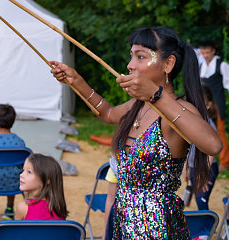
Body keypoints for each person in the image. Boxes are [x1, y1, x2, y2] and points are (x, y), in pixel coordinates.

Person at [51, 26, 222, 239]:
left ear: (168, 64)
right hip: (123, 223)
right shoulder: (139, 104)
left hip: (157, 229)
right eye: (131, 56)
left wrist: (156, 95)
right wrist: (76, 81)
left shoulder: (178, 110)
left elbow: (213, 145)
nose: (130, 65)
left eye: (140, 57)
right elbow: (108, 113)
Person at [186, 86, 220, 210]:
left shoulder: (208, 124)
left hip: (206, 169)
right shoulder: (192, 122)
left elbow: (212, 153)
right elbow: (188, 147)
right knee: (198, 200)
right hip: (194, 168)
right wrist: (187, 168)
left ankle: (207, 229)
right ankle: (205, 228)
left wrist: (204, 173)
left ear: (208, 105)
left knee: (201, 202)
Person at [198, 39, 229, 171]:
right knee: (203, 132)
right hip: (204, 104)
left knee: (220, 132)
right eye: (203, 52)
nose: (205, 55)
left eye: (207, 52)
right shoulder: (201, 66)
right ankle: (205, 161)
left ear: (213, 51)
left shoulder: (222, 65)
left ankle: (224, 162)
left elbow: (228, 84)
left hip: (217, 104)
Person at [15, 153, 67, 220]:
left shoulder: (23, 208)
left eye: (29, 172)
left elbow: (16, 230)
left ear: (47, 179)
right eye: (23, 170)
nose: (21, 175)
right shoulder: (59, 209)